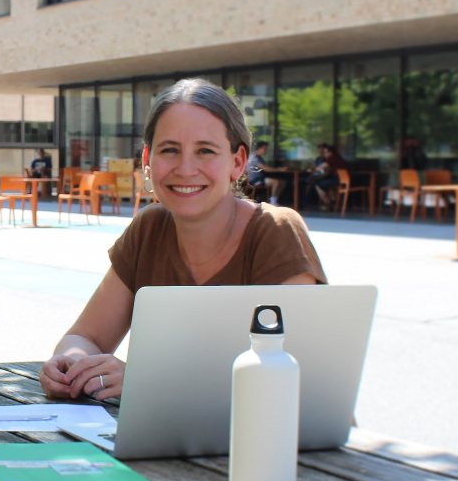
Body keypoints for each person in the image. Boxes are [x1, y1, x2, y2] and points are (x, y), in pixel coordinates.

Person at [38, 79, 326, 402]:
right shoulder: (149, 229)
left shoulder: (277, 230)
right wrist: (72, 364)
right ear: (147, 160)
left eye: (205, 151)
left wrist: (148, 381)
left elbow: (295, 377)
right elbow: (85, 337)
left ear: (237, 162)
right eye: (170, 150)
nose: (186, 169)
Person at [303, 143, 349, 210]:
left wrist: (313, 169)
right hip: (342, 179)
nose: (324, 154)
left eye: (325, 152)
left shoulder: (332, 158)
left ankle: (328, 203)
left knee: (318, 185)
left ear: (330, 153)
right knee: (327, 185)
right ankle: (333, 202)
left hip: (340, 180)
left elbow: (320, 168)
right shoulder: (337, 158)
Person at [246, 140, 288, 205]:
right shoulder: (254, 158)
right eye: (265, 148)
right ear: (259, 148)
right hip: (254, 180)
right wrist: (280, 170)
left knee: (282, 182)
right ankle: (273, 202)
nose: (266, 150)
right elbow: (265, 169)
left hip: (261, 178)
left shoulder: (260, 158)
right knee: (275, 182)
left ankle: (275, 199)